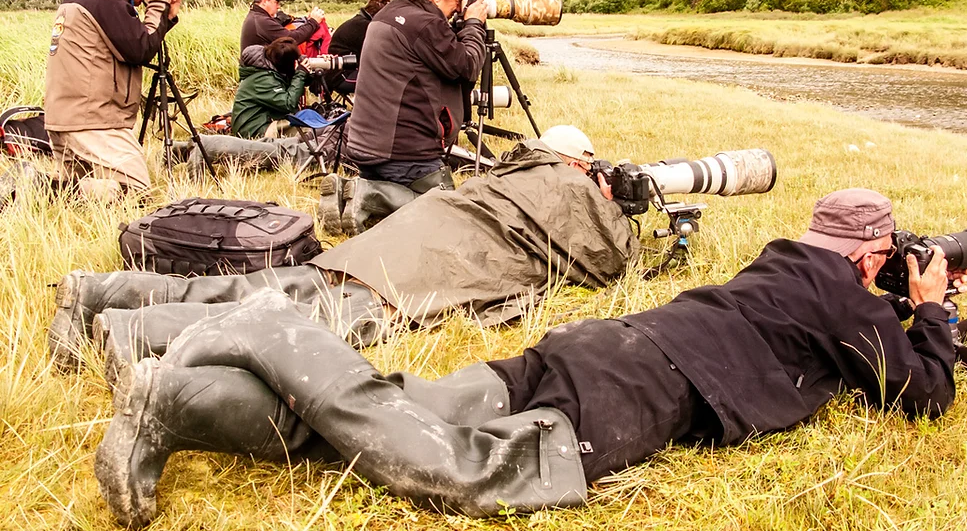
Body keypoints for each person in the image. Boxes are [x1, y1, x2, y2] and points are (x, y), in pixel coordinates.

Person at [92, 187, 967, 528]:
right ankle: (271, 325)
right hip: (635, 393)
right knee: (459, 474)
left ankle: (170, 398)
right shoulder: (845, 297)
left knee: (367, 421)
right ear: (872, 254)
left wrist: (894, 301)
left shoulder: (781, 263)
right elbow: (923, 394)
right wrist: (930, 313)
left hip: (592, 352)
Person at [49, 127, 631, 375]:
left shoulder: (509, 170)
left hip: (392, 243)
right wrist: (607, 203)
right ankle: (130, 334)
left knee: (266, 288)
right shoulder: (568, 184)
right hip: (421, 274)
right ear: (577, 163)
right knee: (292, 315)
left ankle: (104, 291)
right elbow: (607, 264)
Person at [344, 0, 489, 194]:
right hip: (405, 154)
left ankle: (370, 195)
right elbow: (467, 67)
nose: (458, 8)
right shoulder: (425, 24)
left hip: (368, 146)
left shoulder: (389, 12)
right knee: (448, 216)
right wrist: (474, 24)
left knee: (403, 215)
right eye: (457, 1)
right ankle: (371, 201)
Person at [44, 0, 181, 198]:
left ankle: (49, 189)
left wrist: (165, 19)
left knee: (80, 190)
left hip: (70, 115)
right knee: (136, 193)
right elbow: (139, 49)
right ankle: (38, 187)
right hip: (91, 121)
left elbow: (135, 41)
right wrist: (157, 6)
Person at [231, 37, 309, 138]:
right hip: (254, 129)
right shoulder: (262, 80)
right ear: (287, 64)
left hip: (264, 121)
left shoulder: (269, 69)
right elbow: (288, 103)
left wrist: (310, 73)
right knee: (309, 131)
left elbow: (291, 87)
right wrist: (300, 74)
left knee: (312, 121)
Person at [324, 0, 390, 95]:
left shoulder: (358, 22)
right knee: (386, 82)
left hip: (336, 74)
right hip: (343, 75)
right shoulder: (365, 27)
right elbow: (379, 55)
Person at [240, 0, 324, 50]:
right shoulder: (261, 21)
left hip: (257, 69)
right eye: (276, 2)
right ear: (265, 1)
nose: (278, 6)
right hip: (261, 71)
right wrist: (313, 22)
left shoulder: (255, 16)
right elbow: (292, 39)